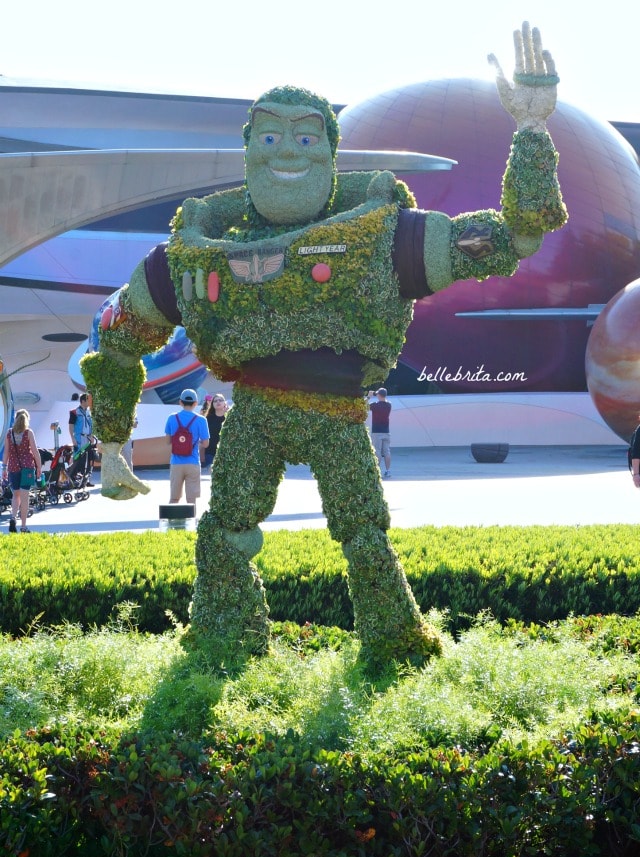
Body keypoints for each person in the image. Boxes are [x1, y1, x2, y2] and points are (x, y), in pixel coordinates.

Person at [80, 23, 567, 667]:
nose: (289, 151)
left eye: (307, 137)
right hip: (253, 415)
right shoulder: (191, 259)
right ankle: (226, 645)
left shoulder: (386, 239)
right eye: (272, 137)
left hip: (337, 416)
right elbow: (116, 338)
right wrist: (112, 444)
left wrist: (531, 130)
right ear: (249, 148)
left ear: (331, 152)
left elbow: (514, 238)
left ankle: (394, 645)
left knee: (365, 536)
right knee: (224, 536)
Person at [164, 388, 209, 511]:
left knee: (174, 498)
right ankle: (191, 525)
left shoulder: (172, 418)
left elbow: (167, 442)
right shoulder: (201, 420)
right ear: (195, 403)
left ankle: (170, 524)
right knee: (191, 499)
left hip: (176, 463)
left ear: (180, 402)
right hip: (193, 462)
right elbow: (206, 444)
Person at [3, 408, 42, 533]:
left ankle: (13, 518)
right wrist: (39, 467)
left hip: (13, 467)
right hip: (27, 468)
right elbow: (35, 451)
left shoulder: (10, 433)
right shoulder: (28, 433)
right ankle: (23, 526)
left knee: (16, 495)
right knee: (25, 497)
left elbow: (6, 452)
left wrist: (4, 468)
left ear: (16, 419)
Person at [368, 388, 392, 478]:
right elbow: (383, 398)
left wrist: (369, 396)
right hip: (386, 431)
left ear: (378, 395)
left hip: (376, 431)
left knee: (377, 451)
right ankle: (388, 471)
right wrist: (377, 393)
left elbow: (362, 405)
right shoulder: (389, 405)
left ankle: (377, 471)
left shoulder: (375, 405)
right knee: (387, 451)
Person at [202, 393, 228, 469]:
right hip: (210, 452)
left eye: (220, 400)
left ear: (224, 403)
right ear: (212, 404)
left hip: (225, 452)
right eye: (215, 401)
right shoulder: (208, 418)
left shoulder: (229, 417)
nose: (218, 402)